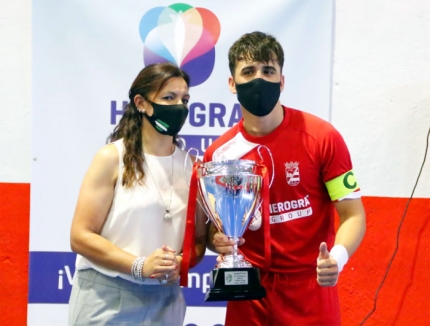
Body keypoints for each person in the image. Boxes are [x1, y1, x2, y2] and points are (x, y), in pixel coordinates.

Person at [204, 31, 366, 326]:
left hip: (310, 290)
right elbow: (214, 233)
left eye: (268, 71)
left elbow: (353, 213)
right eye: (248, 71)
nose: (259, 80)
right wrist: (219, 243)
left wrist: (337, 259)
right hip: (247, 293)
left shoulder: (322, 138)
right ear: (232, 84)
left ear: (282, 80)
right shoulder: (219, 154)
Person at [68, 62, 207, 326]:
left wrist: (180, 262)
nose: (179, 106)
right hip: (107, 296)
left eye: (184, 99)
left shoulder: (192, 167)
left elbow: (198, 241)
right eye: (169, 97)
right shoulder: (112, 157)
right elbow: (80, 236)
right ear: (141, 103)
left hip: (166, 298)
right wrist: (138, 265)